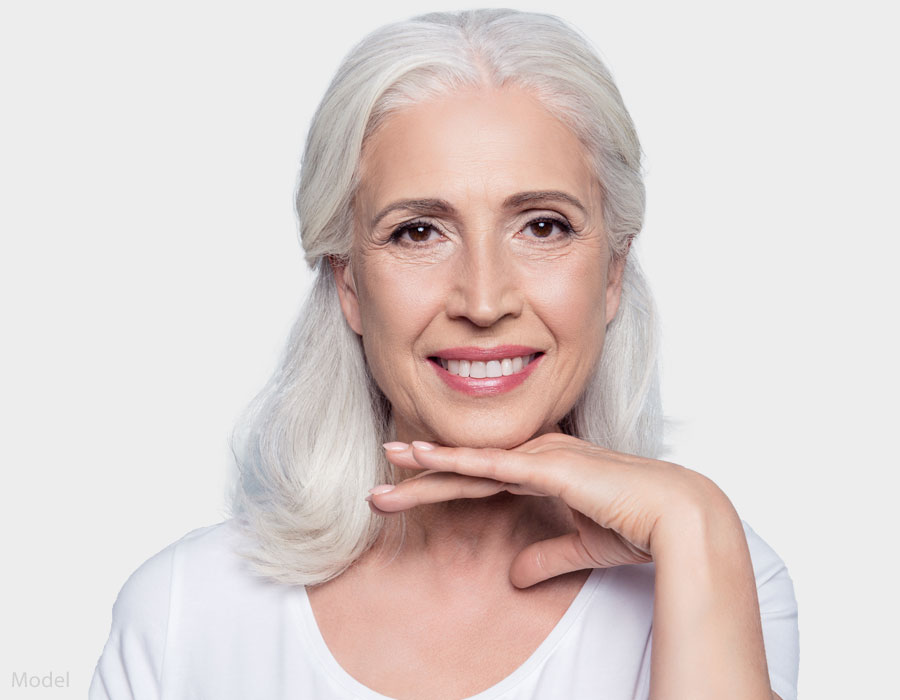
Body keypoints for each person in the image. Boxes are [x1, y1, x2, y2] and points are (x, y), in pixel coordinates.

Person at [90, 9, 799, 700]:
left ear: (612, 273)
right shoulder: (184, 610)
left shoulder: (705, 564)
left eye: (543, 225)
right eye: (418, 232)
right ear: (349, 285)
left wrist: (694, 518)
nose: (484, 301)